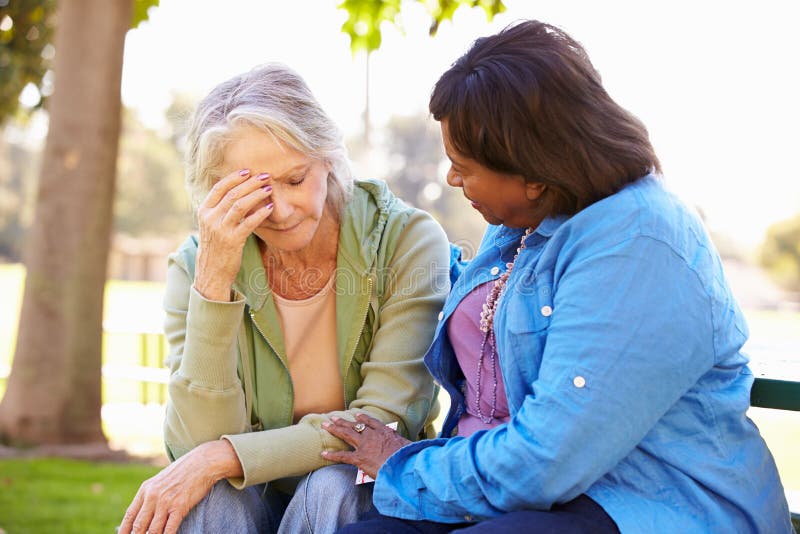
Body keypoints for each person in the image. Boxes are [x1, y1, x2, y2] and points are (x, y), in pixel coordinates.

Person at [322, 20, 794, 533]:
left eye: (465, 165)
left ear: (533, 172)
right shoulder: (522, 228)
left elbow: (546, 459)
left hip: (650, 503)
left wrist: (407, 465)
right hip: (528, 499)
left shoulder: (638, 241)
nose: (452, 179)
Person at [118, 63, 451, 534]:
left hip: (358, 501)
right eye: (251, 192)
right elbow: (195, 445)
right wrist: (214, 281)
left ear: (328, 159)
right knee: (210, 499)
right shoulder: (195, 265)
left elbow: (378, 427)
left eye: (295, 179)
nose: (281, 210)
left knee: (331, 486)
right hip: (245, 503)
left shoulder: (405, 240)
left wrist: (224, 456)